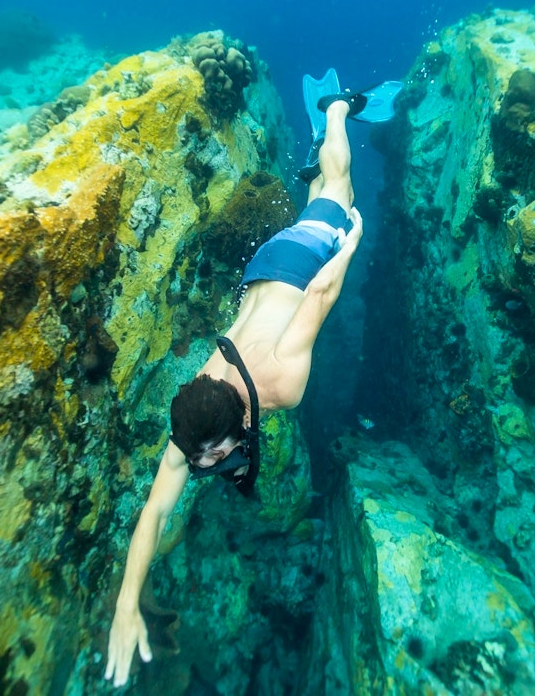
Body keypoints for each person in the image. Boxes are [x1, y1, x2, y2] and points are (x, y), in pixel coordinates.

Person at [104, 71, 401, 687]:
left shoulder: (282, 382)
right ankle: (318, 184)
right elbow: (154, 516)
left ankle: (338, 108)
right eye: (203, 461)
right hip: (260, 270)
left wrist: (349, 241)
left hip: (296, 262)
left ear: (237, 419)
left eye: (212, 458)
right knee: (322, 197)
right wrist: (127, 603)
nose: (206, 466)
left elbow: (320, 297)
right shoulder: (194, 420)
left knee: (340, 188)